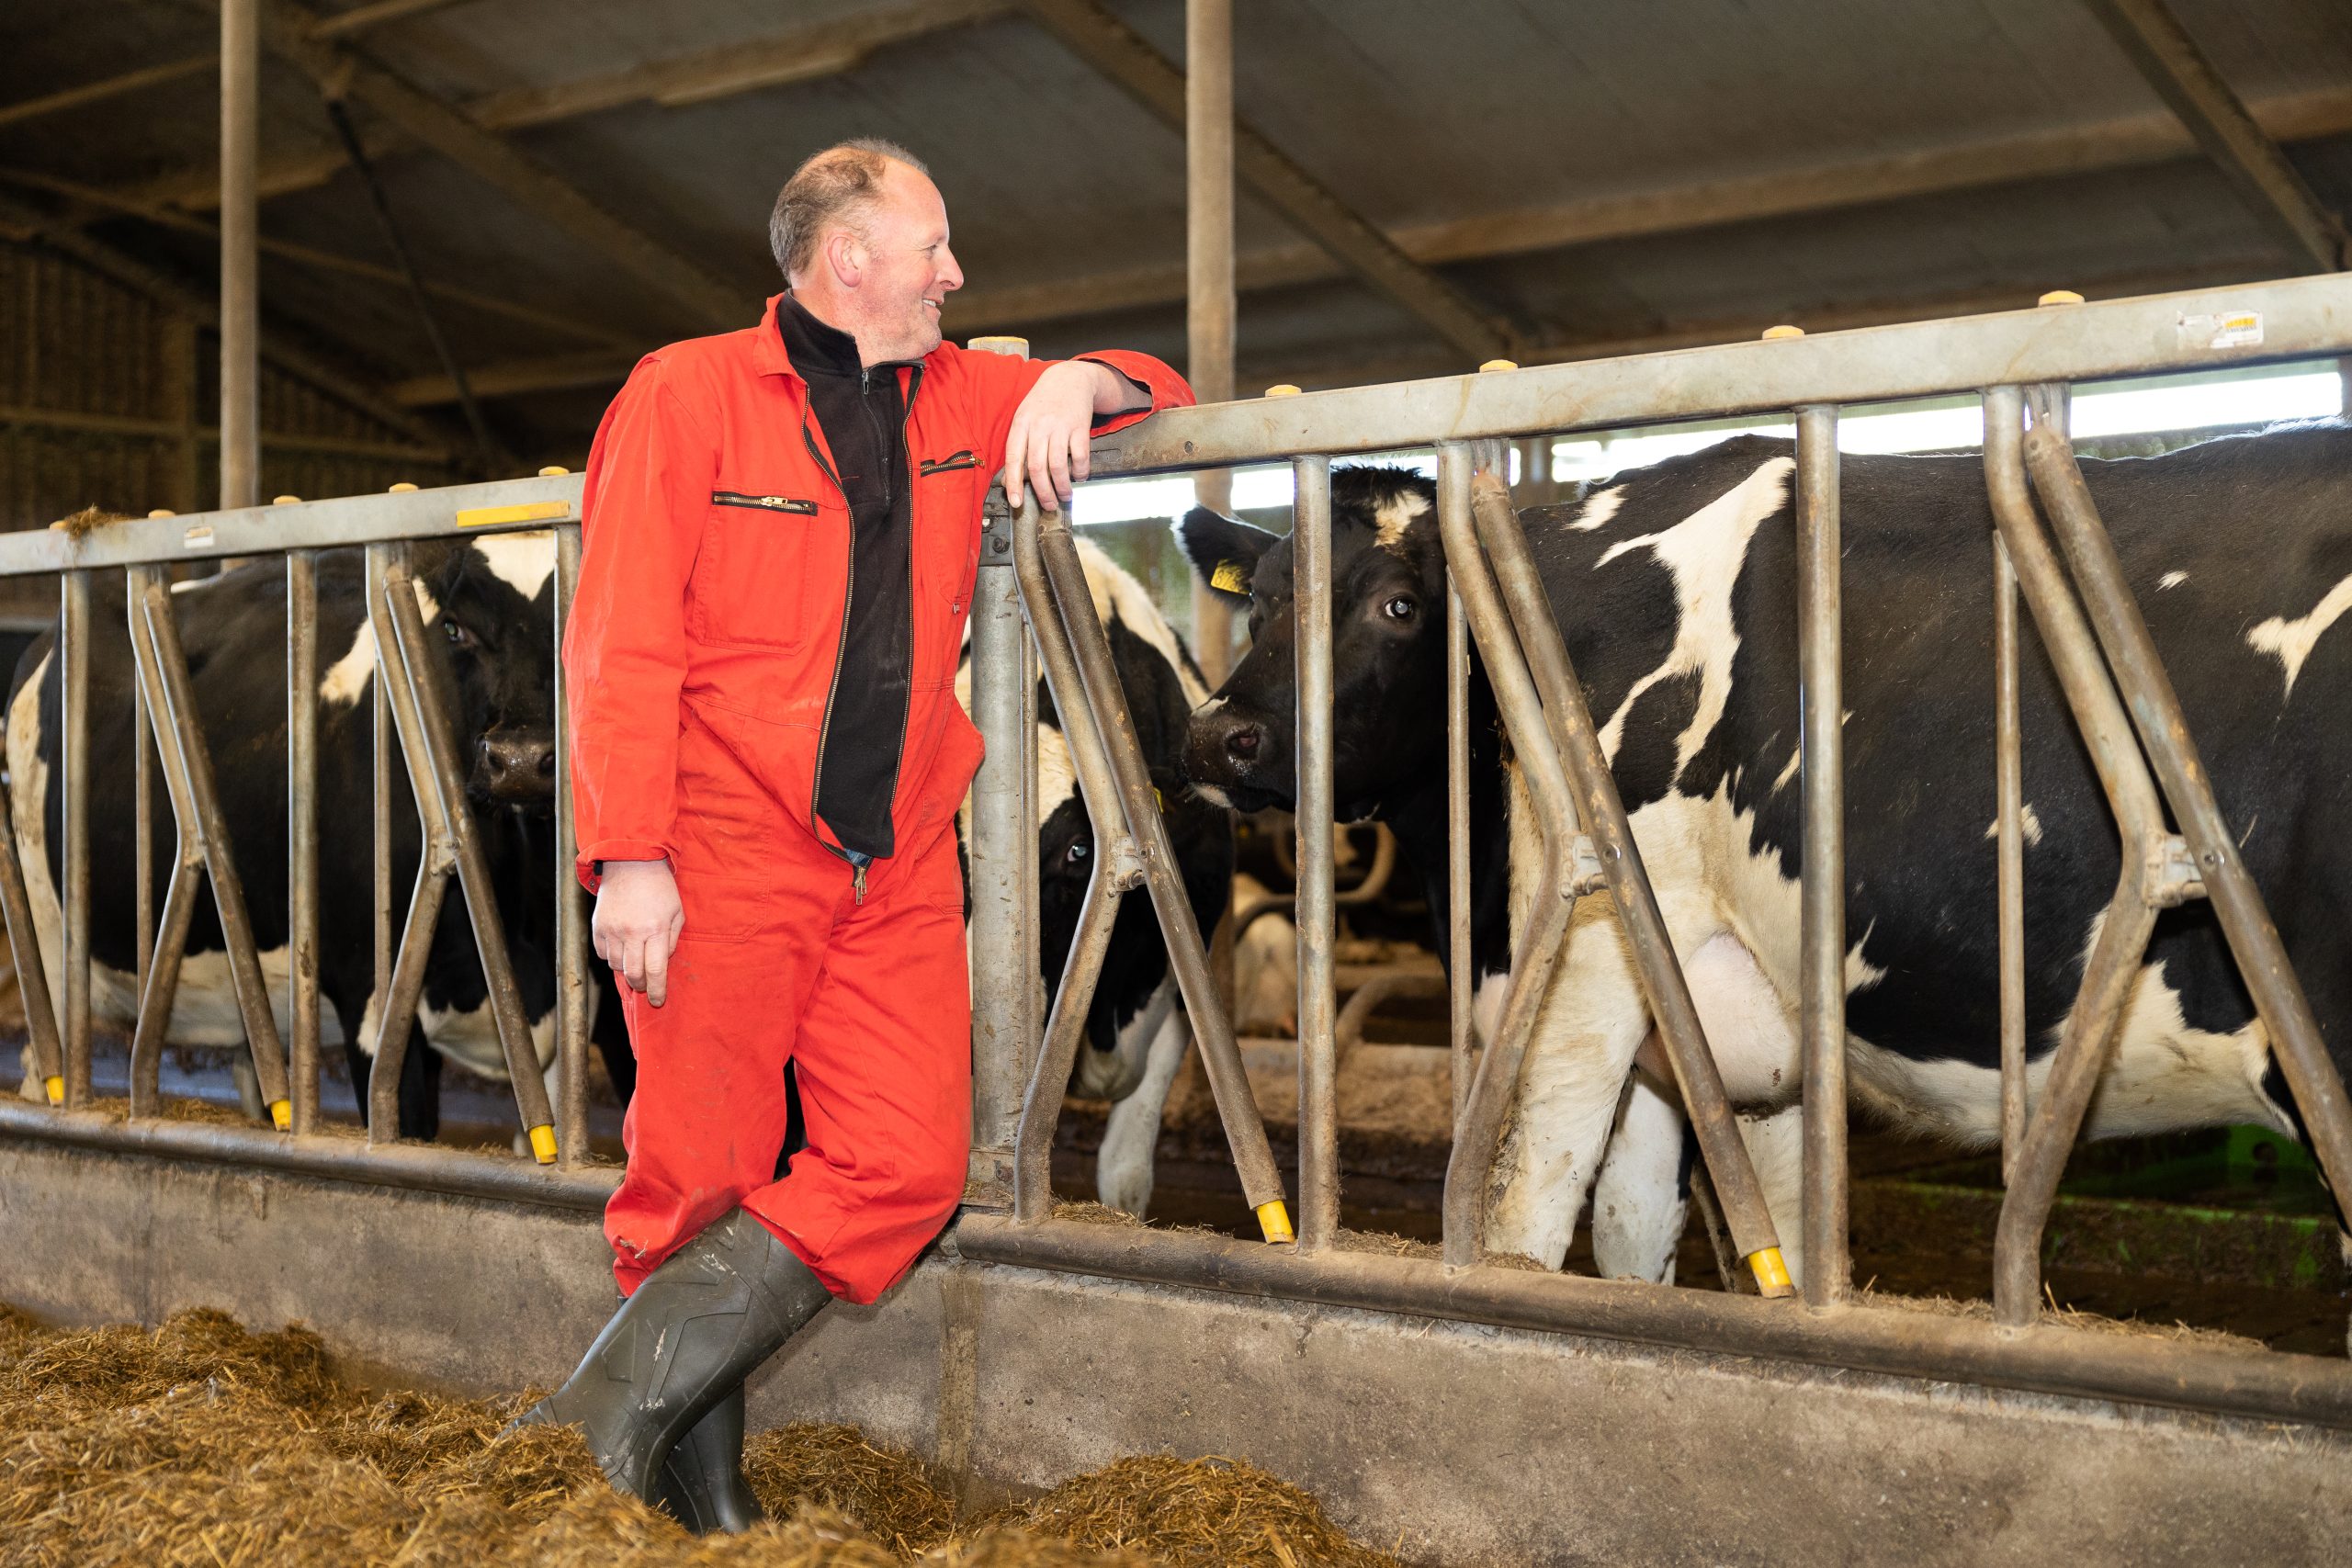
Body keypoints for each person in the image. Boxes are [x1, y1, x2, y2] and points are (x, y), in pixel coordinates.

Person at [517, 139, 1192, 1532]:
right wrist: (627, 854)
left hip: (888, 854)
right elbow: (619, 640)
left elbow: (1161, 386)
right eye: (933, 248)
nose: (955, 274)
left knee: (909, 1160)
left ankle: (593, 1427)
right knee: (698, 1175)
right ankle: (702, 1502)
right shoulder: (688, 394)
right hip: (717, 846)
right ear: (850, 261)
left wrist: (1081, 378)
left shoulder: (964, 389)